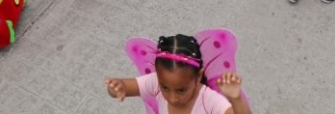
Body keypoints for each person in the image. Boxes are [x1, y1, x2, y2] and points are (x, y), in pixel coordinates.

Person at [105, 33, 250, 114]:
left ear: (198, 76)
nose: (173, 98)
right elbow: (125, 87)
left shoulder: (208, 100)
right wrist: (117, 87)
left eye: (181, 90)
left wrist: (235, 98)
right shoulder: (156, 82)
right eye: (165, 88)